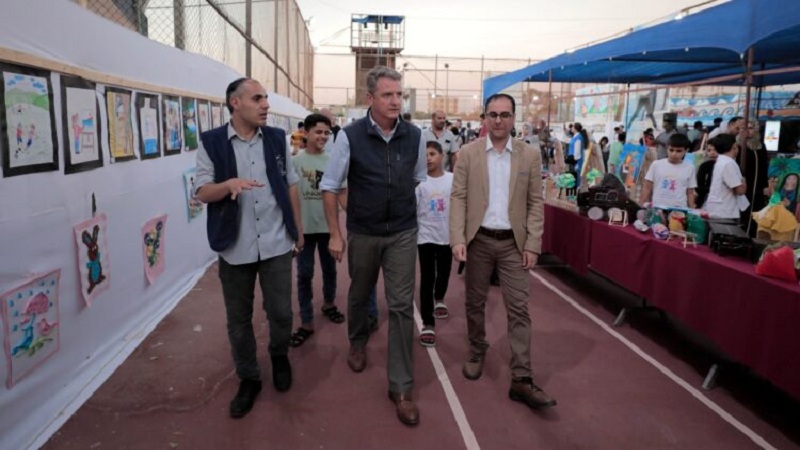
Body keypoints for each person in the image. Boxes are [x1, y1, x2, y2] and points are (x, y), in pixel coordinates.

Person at [320, 66, 426, 426]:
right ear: (370, 98)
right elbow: (330, 186)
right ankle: (357, 340)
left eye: (399, 94)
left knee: (400, 305)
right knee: (360, 292)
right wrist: (336, 233)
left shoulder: (415, 136)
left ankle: (401, 387)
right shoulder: (349, 137)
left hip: (402, 232)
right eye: (387, 95)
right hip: (363, 232)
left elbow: (417, 179)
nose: (396, 101)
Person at [194, 77, 303, 419]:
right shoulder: (211, 142)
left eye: (266, 98)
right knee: (238, 320)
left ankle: (279, 355)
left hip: (276, 242)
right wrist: (228, 185)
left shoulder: (277, 138)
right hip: (234, 246)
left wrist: (297, 231)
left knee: (281, 313)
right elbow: (201, 192)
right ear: (235, 103)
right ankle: (249, 378)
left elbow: (291, 185)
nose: (266, 105)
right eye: (257, 98)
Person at [450, 93, 556, 411]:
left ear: (513, 118)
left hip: (514, 244)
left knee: (519, 309)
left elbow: (535, 202)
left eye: (505, 115)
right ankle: (477, 349)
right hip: (478, 241)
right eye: (493, 114)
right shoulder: (468, 154)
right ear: (485, 117)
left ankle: (522, 377)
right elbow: (458, 197)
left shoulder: (529, 155)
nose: (498, 120)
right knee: (474, 302)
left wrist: (533, 243)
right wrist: (457, 238)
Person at [289, 113, 347, 348]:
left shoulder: (333, 161)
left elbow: (341, 194)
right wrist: (295, 230)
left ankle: (329, 303)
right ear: (306, 132)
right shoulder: (295, 162)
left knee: (330, 270)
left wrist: (341, 231)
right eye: (318, 132)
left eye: (327, 133)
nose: (323, 136)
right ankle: (306, 322)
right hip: (303, 230)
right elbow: (290, 196)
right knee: (304, 275)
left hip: (327, 229)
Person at [416, 141, 454, 348]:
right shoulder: (419, 182)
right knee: (427, 277)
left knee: (444, 273)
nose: (428, 158)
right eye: (425, 155)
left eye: (432, 154)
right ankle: (428, 323)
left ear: (442, 156)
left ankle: (439, 297)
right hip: (425, 236)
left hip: (447, 236)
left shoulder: (452, 180)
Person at [640, 134, 697, 209]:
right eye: (671, 150)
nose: (674, 154)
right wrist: (640, 206)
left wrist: (691, 210)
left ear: (686, 150)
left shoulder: (690, 168)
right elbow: (647, 187)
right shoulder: (656, 164)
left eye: (678, 151)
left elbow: (690, 192)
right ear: (667, 148)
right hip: (658, 208)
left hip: (679, 209)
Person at [701, 134, 747, 221]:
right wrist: (743, 181)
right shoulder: (728, 163)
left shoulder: (721, 162)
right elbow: (740, 191)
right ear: (734, 146)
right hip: (726, 212)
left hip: (718, 210)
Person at [568, 122, 588, 189]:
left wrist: (574, 160)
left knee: (576, 175)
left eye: (573, 127)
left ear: (575, 128)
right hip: (573, 159)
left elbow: (577, 151)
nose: (571, 128)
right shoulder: (575, 137)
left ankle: (577, 189)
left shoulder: (578, 138)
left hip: (576, 160)